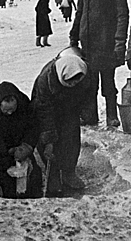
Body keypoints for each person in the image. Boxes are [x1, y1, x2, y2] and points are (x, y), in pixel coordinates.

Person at [69, 0, 129, 127]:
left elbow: (122, 14)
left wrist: (119, 43)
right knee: (89, 83)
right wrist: (74, 34)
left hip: (107, 43)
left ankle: (112, 115)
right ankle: (90, 116)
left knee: (108, 83)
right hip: (88, 43)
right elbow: (80, 11)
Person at [31, 48, 90, 195]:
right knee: (47, 142)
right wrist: (49, 139)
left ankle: (69, 172)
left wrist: (84, 111)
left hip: (70, 106)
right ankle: (53, 174)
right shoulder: (46, 80)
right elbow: (44, 111)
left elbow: (89, 93)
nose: (73, 84)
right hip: (47, 106)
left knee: (71, 137)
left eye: (76, 81)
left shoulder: (85, 72)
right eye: (70, 82)